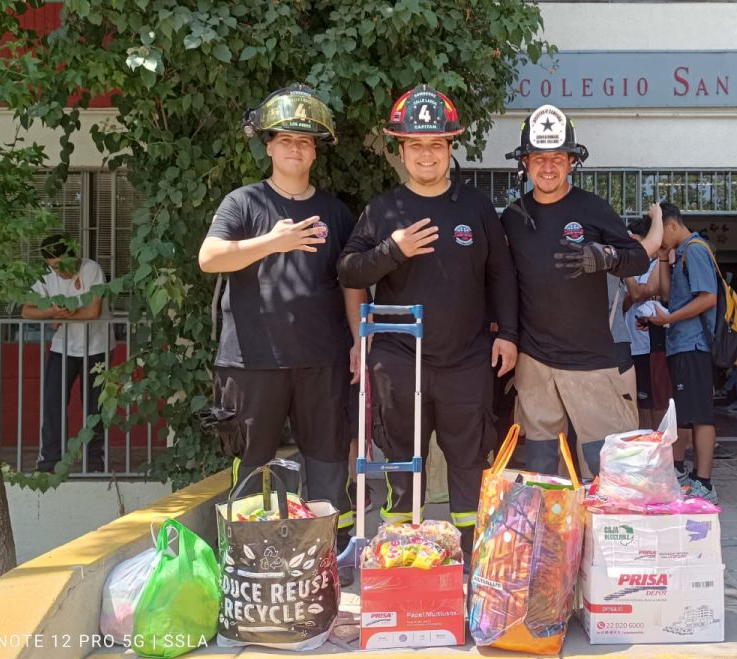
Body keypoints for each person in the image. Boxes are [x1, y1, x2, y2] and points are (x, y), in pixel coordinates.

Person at [338, 84, 518, 558]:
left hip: (467, 360)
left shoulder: (475, 206)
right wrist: (392, 250)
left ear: (449, 147)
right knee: (401, 466)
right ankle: (401, 559)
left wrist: (509, 335)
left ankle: (472, 562)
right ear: (401, 151)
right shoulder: (384, 210)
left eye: (436, 144)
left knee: (469, 463)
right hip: (400, 360)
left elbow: (502, 274)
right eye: (415, 145)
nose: (426, 154)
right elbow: (349, 270)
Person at [198, 85, 364, 574]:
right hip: (252, 361)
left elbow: (351, 283)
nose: (296, 148)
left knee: (328, 463)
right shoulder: (243, 203)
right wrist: (272, 242)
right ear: (268, 146)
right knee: (252, 466)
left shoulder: (336, 212)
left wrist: (359, 340)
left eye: (305, 142)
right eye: (286, 140)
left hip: (322, 361)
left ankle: (327, 565)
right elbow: (209, 258)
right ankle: (249, 566)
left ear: (315, 152)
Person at [500, 104, 653, 477]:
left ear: (571, 162)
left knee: (605, 466)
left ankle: (602, 519)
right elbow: (503, 282)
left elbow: (638, 259)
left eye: (557, 158)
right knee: (541, 463)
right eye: (539, 158)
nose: (548, 167)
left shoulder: (592, 208)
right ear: (525, 163)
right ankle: (550, 519)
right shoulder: (513, 216)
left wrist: (607, 257)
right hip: (535, 360)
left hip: (591, 359)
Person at [647, 203, 721, 502]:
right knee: (687, 414)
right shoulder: (681, 254)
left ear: (672, 225)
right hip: (681, 344)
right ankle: (691, 475)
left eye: (659, 231)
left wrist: (670, 318)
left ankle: (705, 481)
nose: (657, 239)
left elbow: (709, 298)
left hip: (694, 344)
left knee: (701, 415)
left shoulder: (695, 249)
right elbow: (667, 295)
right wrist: (663, 258)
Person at [22, 234, 111, 473]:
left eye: (62, 265)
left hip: (97, 347)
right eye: (53, 267)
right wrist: (51, 312)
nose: (59, 272)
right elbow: (27, 310)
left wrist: (63, 315)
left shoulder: (91, 269)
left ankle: (94, 462)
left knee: (94, 407)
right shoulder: (46, 276)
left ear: (74, 255)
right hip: (62, 348)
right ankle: (49, 461)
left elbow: (93, 311)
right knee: (53, 403)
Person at [625, 207, 671, 430]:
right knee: (639, 401)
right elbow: (626, 300)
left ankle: (659, 445)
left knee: (657, 400)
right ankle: (644, 443)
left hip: (651, 343)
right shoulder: (637, 267)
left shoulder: (657, 264)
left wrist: (626, 272)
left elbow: (638, 293)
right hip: (631, 344)